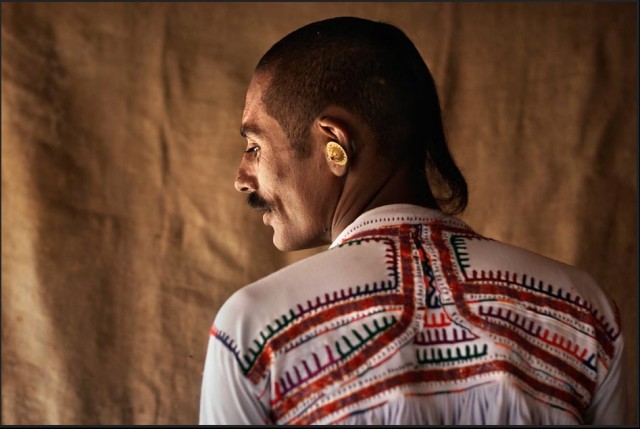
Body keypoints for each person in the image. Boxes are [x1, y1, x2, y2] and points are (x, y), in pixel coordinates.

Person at [199, 17, 624, 425]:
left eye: (254, 146)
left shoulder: (254, 334)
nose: (241, 179)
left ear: (335, 144)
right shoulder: (584, 313)